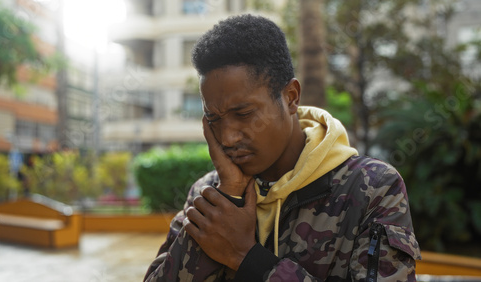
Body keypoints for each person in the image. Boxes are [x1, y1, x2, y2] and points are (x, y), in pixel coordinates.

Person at [144, 14, 420, 281]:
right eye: (214, 119)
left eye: (243, 113)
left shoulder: (373, 188)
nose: (227, 138)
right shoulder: (208, 194)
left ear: (290, 97)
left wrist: (247, 258)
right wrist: (229, 197)